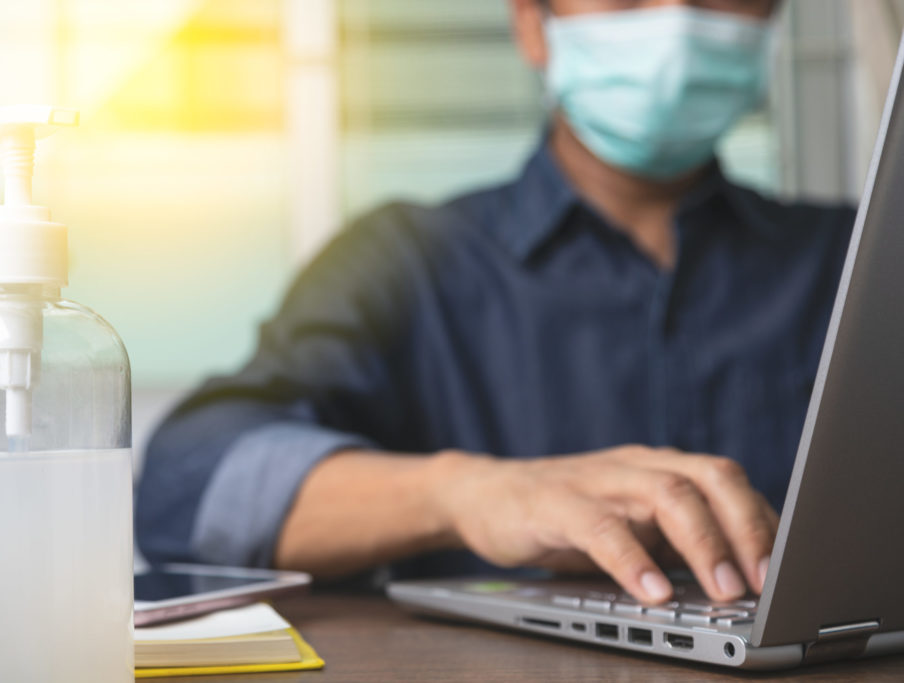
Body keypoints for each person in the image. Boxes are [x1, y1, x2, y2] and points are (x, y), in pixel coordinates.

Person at [136, 0, 854, 606]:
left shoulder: (857, 259)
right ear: (532, 25)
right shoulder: (407, 259)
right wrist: (467, 493)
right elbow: (185, 484)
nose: (675, 24)